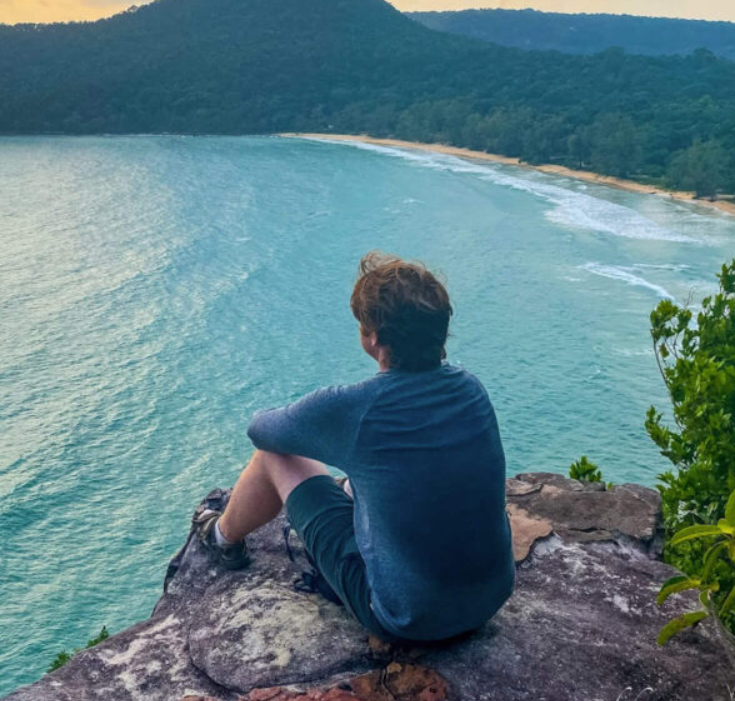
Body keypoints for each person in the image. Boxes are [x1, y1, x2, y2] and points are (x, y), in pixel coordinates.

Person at [194, 251, 514, 643]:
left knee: (275, 456)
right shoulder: (471, 389)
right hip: (488, 599)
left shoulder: (357, 409)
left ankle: (221, 538)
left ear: (374, 337)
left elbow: (261, 430)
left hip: (409, 618)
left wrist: (318, 420)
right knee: (367, 477)